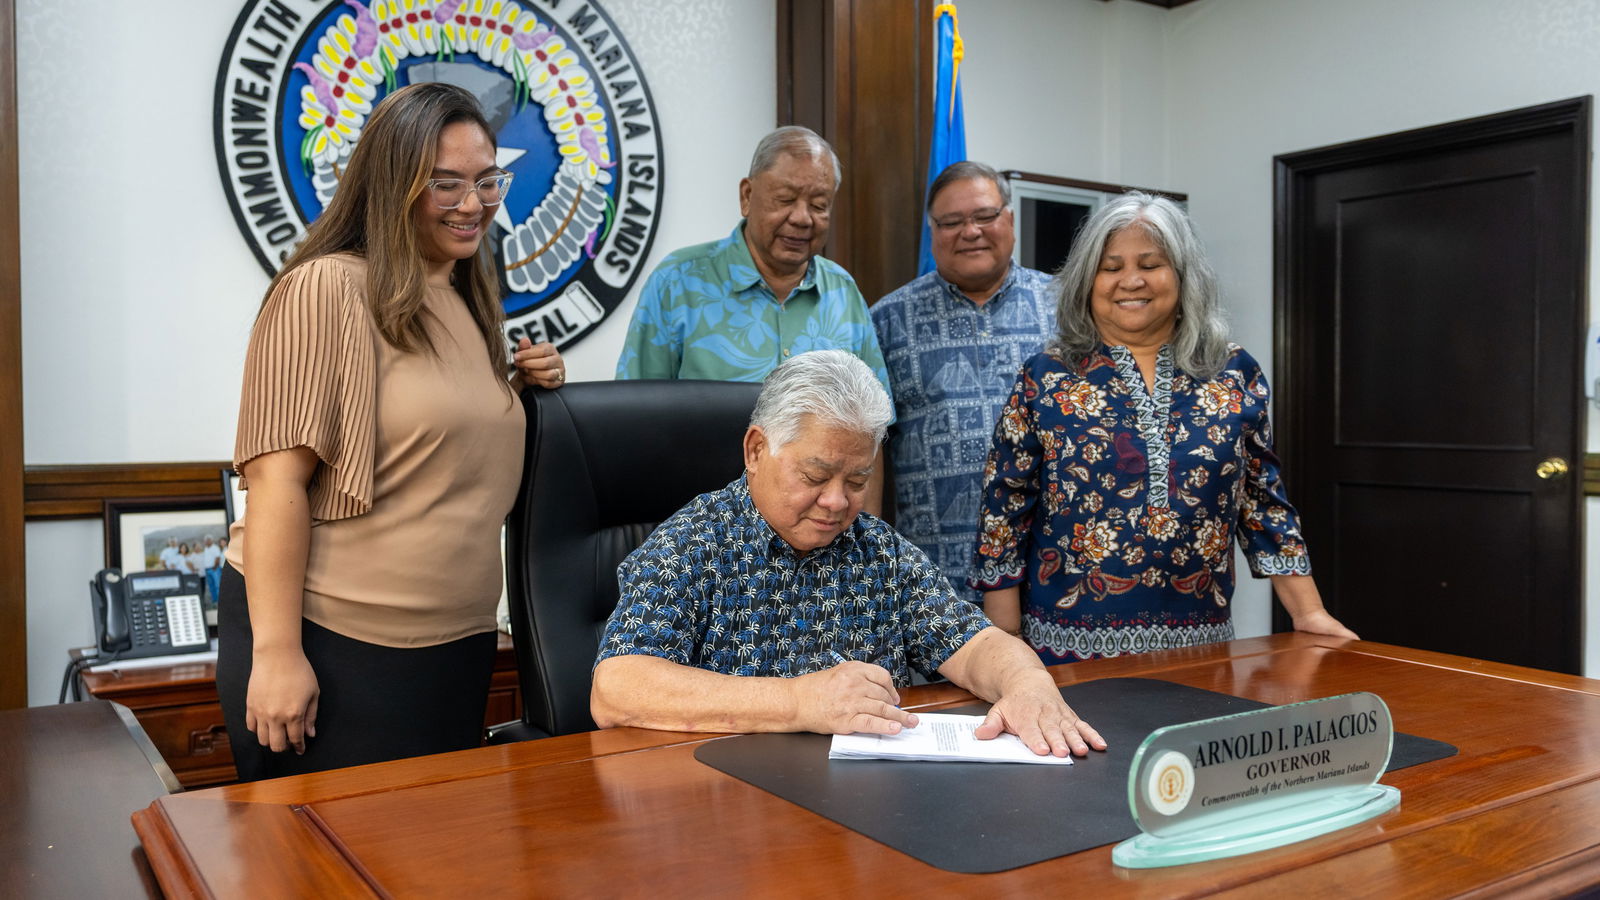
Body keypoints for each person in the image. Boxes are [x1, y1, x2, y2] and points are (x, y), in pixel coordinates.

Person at [216, 82, 566, 781]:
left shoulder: (464, 296)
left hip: (456, 648)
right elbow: (276, 482)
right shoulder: (326, 288)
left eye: (487, 180)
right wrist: (278, 654)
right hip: (337, 646)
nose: (474, 204)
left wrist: (519, 392)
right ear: (393, 182)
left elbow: (435, 448)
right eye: (446, 184)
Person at [591, 350, 1105, 758]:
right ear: (755, 451)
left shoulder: (878, 551)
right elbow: (618, 688)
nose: (837, 502)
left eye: (857, 480)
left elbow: (975, 646)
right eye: (815, 477)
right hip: (732, 811)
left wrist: (1028, 683)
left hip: (869, 816)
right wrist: (798, 701)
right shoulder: (693, 544)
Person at [971, 192, 1356, 665]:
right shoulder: (1046, 376)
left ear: (1183, 275)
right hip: (1065, 647)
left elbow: (1261, 501)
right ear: (1087, 281)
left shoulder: (1233, 371)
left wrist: (1309, 612)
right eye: (1110, 267)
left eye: (1150, 264)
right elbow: (1004, 503)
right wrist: (1005, 639)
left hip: (1202, 646)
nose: (1130, 281)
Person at [871, 161, 1054, 604]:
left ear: (1008, 219)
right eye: (951, 222)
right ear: (932, 232)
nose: (969, 231)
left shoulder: (1066, 310)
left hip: (1053, 573)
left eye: (985, 216)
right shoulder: (888, 321)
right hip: (933, 587)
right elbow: (867, 453)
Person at [614, 126, 891, 399]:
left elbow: (874, 420)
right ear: (747, 196)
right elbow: (633, 410)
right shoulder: (677, 283)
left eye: (819, 205)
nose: (802, 218)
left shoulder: (842, 292)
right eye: (785, 199)